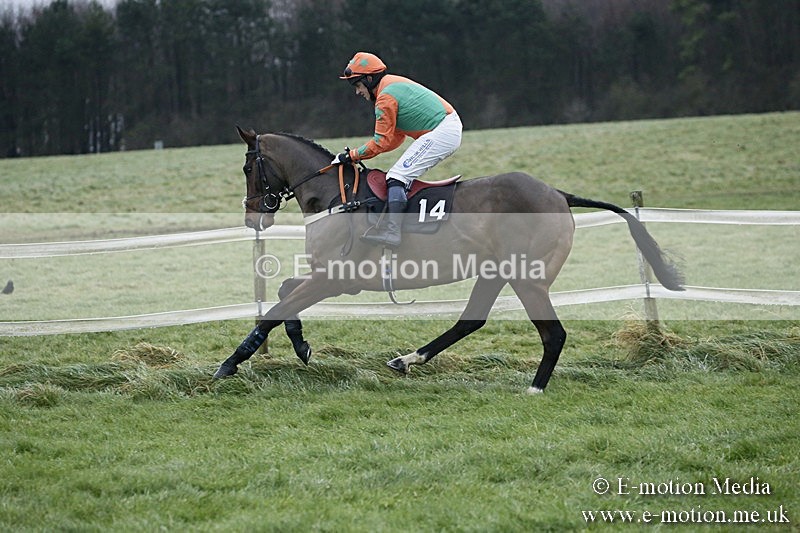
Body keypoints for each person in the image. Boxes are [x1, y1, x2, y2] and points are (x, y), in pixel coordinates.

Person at [332, 52, 462, 247]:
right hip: (446, 128)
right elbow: (394, 139)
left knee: (397, 176)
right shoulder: (389, 86)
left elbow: (382, 141)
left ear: (369, 79)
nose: (358, 92)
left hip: (443, 130)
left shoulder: (385, 98)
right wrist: (356, 155)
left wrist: (351, 155)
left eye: (358, 86)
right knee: (399, 175)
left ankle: (393, 233)